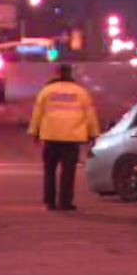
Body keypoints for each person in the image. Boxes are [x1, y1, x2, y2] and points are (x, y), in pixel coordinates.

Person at [28, 64, 100, 211]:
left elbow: (37, 113)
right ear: (71, 74)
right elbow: (90, 114)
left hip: (51, 136)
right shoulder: (81, 92)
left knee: (50, 170)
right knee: (68, 172)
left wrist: (35, 132)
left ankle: (49, 203)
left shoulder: (46, 91)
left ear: (56, 74)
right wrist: (93, 134)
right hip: (72, 137)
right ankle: (65, 202)